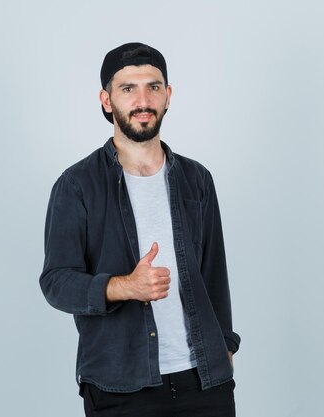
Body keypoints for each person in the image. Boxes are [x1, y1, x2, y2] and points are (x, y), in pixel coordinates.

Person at [40, 42, 240, 417]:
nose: (143, 99)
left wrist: (225, 347)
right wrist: (123, 287)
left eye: (154, 86)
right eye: (128, 88)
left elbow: (214, 274)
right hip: (122, 386)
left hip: (205, 380)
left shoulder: (197, 179)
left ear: (168, 96)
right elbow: (56, 282)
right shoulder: (77, 184)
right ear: (106, 99)